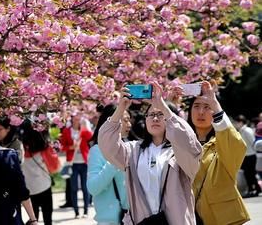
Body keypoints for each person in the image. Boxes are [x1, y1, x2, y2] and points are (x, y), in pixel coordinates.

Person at [99, 82, 202, 225]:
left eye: (160, 114)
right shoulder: (133, 150)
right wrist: (120, 108)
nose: (155, 118)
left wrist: (162, 104)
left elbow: (189, 143)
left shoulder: (179, 152)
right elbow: (107, 145)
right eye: (151, 114)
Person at [187, 81, 250, 225]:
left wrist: (214, 103)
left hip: (220, 217)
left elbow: (236, 145)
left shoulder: (222, 142)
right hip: (187, 216)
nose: (201, 112)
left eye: (207, 107)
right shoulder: (181, 143)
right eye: (196, 106)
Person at [87, 104, 131, 225]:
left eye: (129, 120)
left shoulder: (130, 147)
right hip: (108, 221)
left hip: (130, 218)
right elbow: (93, 188)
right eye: (126, 120)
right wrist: (114, 161)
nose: (129, 124)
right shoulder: (97, 151)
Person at [21, 125, 61, 225]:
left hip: (31, 190)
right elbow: (55, 168)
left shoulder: (22, 154)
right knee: (48, 218)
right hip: (45, 187)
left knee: (34, 218)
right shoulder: (45, 151)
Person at [59, 113, 93, 218]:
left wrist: (84, 127)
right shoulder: (66, 131)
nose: (77, 119)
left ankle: (86, 211)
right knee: (73, 188)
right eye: (75, 117)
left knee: (85, 187)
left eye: (79, 117)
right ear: (72, 119)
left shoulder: (83, 130)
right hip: (72, 163)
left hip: (84, 162)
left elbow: (91, 137)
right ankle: (77, 212)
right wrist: (71, 147)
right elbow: (62, 146)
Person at [233, 115, 260, 197]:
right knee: (247, 174)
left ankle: (255, 189)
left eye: (236, 122)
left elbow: (253, 142)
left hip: (251, 155)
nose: (235, 124)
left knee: (251, 174)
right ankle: (253, 189)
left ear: (241, 122)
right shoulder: (241, 131)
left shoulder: (247, 131)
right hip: (246, 156)